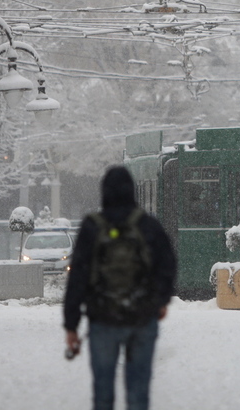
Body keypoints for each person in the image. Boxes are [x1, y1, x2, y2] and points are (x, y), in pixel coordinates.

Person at [64, 166, 176, 410]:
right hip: (142, 318)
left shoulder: (92, 227)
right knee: (138, 393)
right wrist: (161, 301)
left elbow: (78, 278)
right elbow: (167, 266)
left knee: (103, 393)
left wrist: (71, 325)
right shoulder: (148, 225)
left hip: (103, 319)